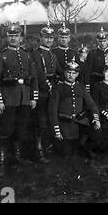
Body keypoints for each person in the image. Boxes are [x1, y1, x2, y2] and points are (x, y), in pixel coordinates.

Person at [0, 22, 39, 177]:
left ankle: (17, 158)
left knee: (21, 129)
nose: (13, 38)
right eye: (10, 36)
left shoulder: (26, 54)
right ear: (7, 37)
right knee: (6, 131)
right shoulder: (0, 55)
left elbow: (34, 78)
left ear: (21, 37)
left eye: (16, 36)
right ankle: (2, 163)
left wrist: (34, 97)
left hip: (24, 99)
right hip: (8, 99)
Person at [49, 58, 101, 158]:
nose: (71, 75)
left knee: (91, 136)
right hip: (64, 126)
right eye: (68, 72)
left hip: (79, 124)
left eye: (74, 73)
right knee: (66, 155)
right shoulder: (58, 89)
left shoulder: (81, 88)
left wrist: (96, 119)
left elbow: (92, 105)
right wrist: (57, 130)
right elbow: (52, 111)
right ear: (64, 73)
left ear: (77, 74)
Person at [31, 22, 62, 163]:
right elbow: (39, 75)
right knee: (40, 123)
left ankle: (49, 147)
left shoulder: (52, 55)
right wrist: (50, 88)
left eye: (51, 38)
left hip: (52, 92)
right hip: (42, 92)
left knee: (51, 120)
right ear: (41, 38)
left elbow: (59, 72)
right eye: (46, 37)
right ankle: (38, 151)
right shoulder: (36, 54)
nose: (49, 40)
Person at [84, 27, 108, 93]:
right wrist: (87, 85)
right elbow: (88, 71)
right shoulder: (92, 53)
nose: (102, 43)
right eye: (100, 41)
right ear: (97, 41)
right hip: (96, 83)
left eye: (104, 41)